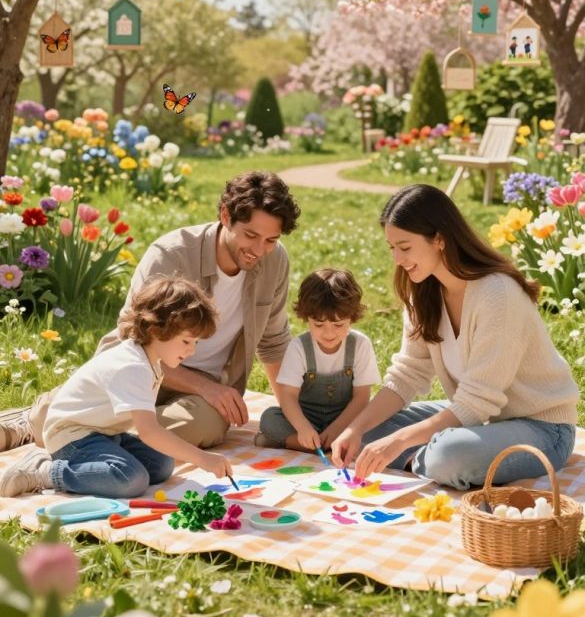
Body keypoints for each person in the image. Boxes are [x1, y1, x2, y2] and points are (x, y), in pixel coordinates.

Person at [0, 171, 300, 455]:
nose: (260, 249)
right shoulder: (171, 254)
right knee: (66, 419)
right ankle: (40, 419)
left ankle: (82, 434)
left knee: (207, 426)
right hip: (140, 369)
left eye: (271, 240)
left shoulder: (275, 262)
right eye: (251, 235)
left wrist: (295, 414)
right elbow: (134, 339)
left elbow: (272, 343)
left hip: (200, 396)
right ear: (225, 216)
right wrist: (204, 387)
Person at [331, 184, 578, 490]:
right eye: (391, 247)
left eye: (405, 247)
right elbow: (407, 375)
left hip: (541, 428)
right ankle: (425, 455)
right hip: (480, 420)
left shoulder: (497, 294)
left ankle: (429, 459)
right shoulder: (423, 291)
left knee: (449, 455)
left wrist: (399, 441)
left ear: (439, 239)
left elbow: (477, 401)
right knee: (365, 437)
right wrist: (355, 428)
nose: (397, 259)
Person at [0, 276, 235, 497]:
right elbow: (149, 431)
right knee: (131, 479)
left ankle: (95, 464)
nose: (191, 350)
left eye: (195, 343)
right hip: (72, 435)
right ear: (156, 330)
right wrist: (203, 459)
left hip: (104, 432)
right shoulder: (132, 366)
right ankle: (46, 471)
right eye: (186, 341)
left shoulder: (151, 359)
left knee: (162, 465)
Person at [257, 268, 380, 451]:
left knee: (380, 418)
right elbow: (288, 397)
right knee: (270, 417)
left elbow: (361, 398)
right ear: (307, 318)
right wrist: (303, 428)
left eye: (338, 325)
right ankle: (312, 444)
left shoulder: (360, 345)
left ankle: (291, 443)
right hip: (307, 417)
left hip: (345, 418)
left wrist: (338, 429)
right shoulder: (299, 347)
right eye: (319, 324)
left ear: (351, 318)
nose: (329, 333)